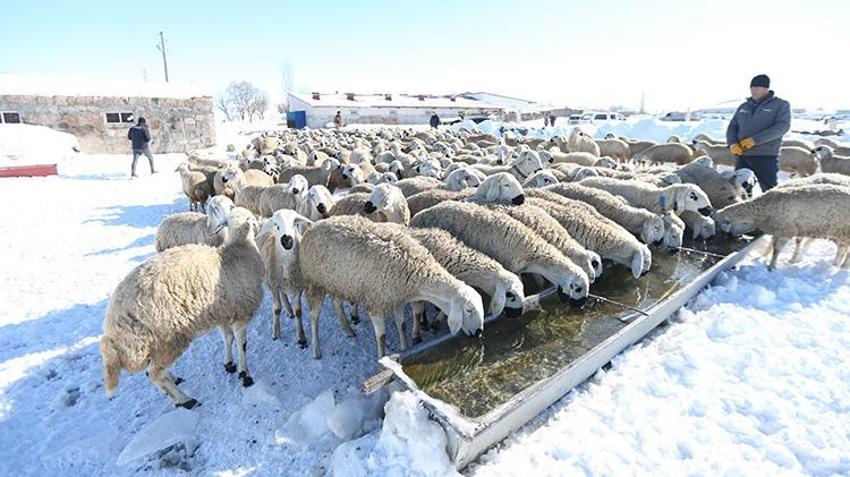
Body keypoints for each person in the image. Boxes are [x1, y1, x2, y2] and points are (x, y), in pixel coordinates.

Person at [726, 74, 791, 191]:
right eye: (752, 88)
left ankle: (772, 209)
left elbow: (782, 127)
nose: (754, 91)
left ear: (766, 89)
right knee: (738, 188)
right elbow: (733, 126)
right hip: (743, 155)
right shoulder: (744, 106)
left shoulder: (780, 105)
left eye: (758, 88)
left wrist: (755, 140)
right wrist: (732, 143)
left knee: (769, 189)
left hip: (765, 155)